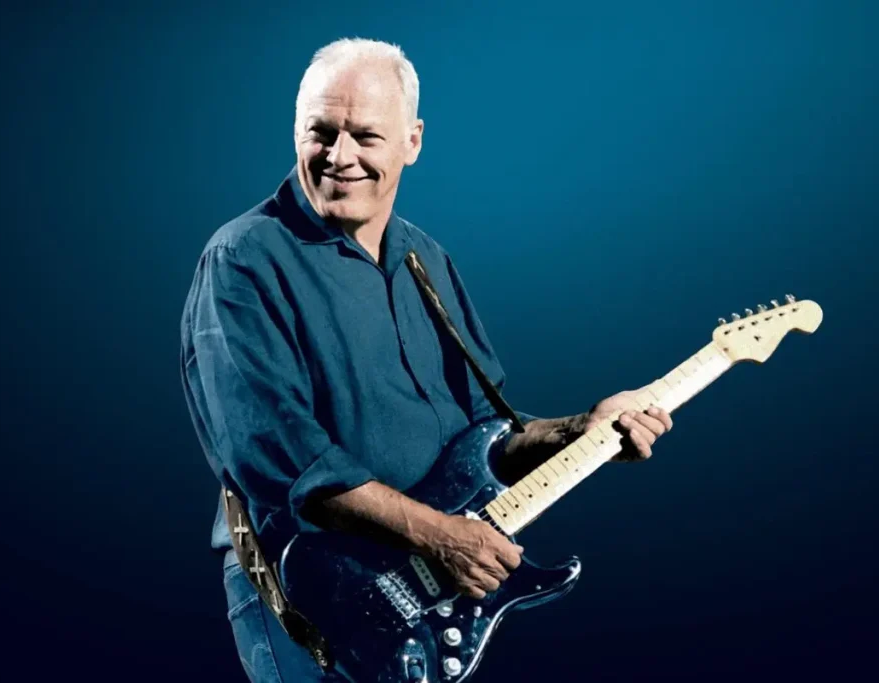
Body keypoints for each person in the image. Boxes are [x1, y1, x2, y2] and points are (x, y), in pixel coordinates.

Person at [179, 37, 674, 683]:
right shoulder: (243, 257)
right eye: (321, 132)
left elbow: (481, 430)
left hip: (429, 589)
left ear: (412, 141)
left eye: (366, 136)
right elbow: (278, 456)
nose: (340, 156)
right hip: (315, 590)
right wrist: (439, 533)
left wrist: (583, 430)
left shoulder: (425, 259)